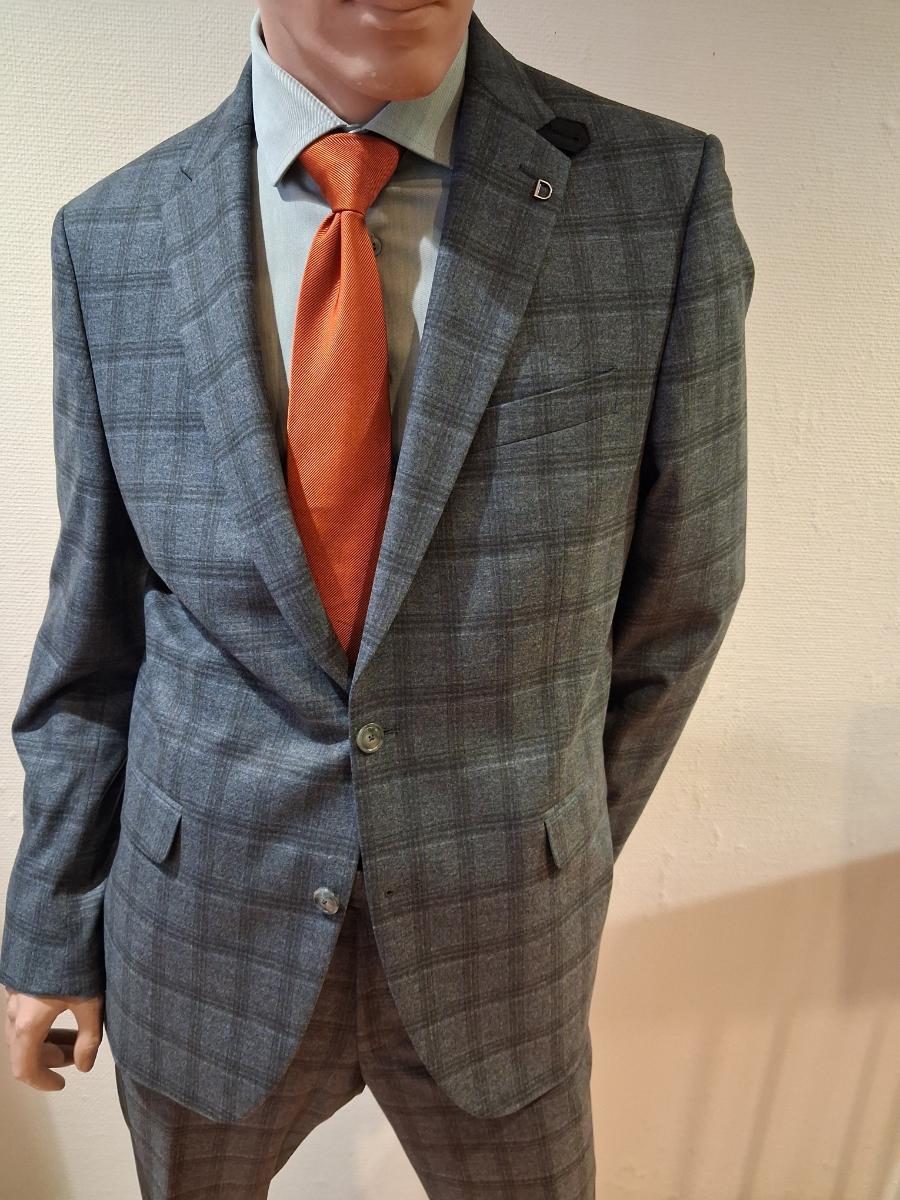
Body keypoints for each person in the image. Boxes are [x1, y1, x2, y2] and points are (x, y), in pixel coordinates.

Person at [0, 2, 754, 1196]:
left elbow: (682, 595)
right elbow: (93, 626)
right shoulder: (112, 236)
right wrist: (52, 925)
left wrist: (554, 841)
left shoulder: (656, 198)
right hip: (199, 933)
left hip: (501, 940)